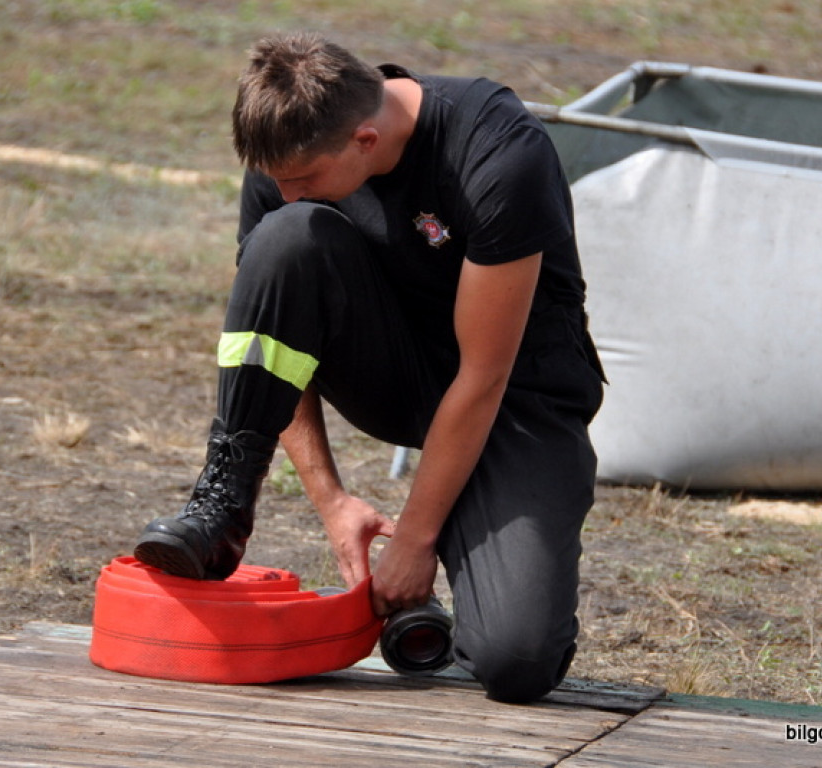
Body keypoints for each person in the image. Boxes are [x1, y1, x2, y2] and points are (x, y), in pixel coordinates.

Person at [134, 31, 605, 704]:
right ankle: (223, 504)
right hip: (394, 375)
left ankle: (444, 604)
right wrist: (331, 501)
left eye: (303, 180)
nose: (288, 192)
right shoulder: (286, 159)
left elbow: (484, 377)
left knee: (517, 660)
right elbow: (273, 334)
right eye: (277, 180)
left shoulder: (497, 149)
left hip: (512, 398)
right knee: (285, 241)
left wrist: (415, 539)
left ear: (365, 139)